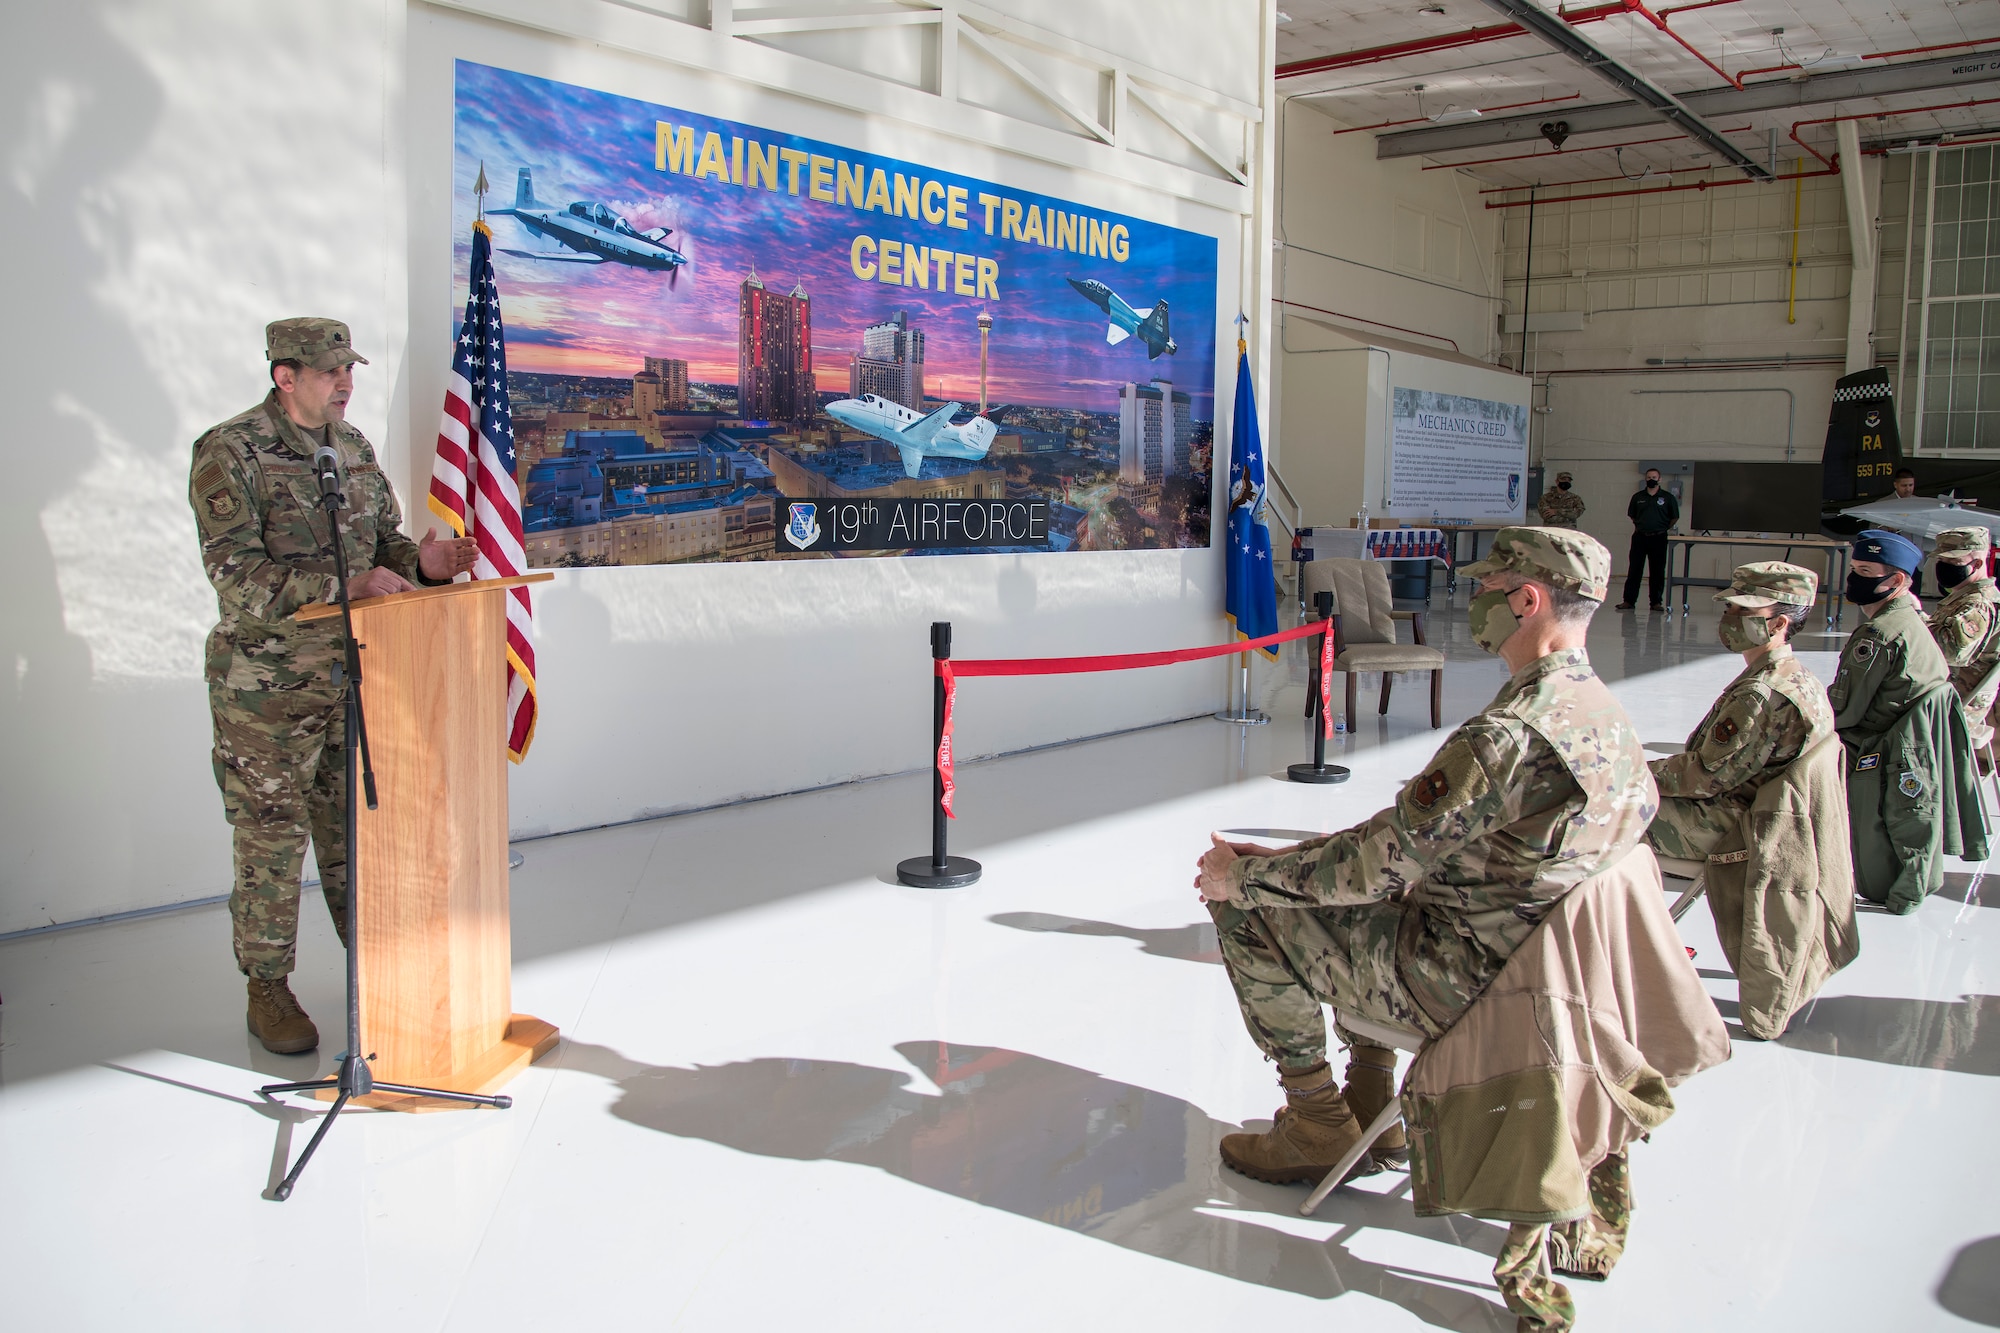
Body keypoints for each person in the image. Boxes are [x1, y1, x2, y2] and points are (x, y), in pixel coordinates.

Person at [1194, 526, 1654, 1331]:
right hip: (1552, 978)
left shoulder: (1509, 735)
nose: (1473, 602)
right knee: (1325, 893)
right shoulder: (1606, 718)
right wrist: (1299, 857)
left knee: (1247, 908)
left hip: (1466, 982)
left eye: (1488, 587)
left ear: (1528, 599)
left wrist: (1249, 874)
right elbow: (1419, 850)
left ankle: (1314, 1121)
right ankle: (1374, 1105)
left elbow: (1377, 865)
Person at [190, 318, 478, 1054]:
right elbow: (236, 576)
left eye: (348, 369)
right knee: (273, 839)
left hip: (354, 676)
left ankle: (376, 960)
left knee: (357, 835)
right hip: (267, 691)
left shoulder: (352, 450)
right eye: (327, 371)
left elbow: (388, 549)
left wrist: (429, 564)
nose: (345, 383)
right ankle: (267, 988)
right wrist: (341, 583)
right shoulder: (230, 451)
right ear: (284, 376)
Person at [1832, 528, 1986, 913]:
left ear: (1897, 580)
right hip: (1904, 745)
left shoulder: (1879, 634)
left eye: (1865, 570)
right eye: (1854, 568)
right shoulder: (1911, 621)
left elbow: (1843, 713)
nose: (1854, 578)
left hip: (1873, 749)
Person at [1648, 562, 1834, 860]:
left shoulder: (1759, 693)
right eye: (1730, 609)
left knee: (1590, 812)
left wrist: (1633, 774)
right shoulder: (1799, 676)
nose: (1730, 619)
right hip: (1761, 813)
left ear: (1778, 624)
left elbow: (1705, 777)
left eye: (1743, 612)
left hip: (1732, 825)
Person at [1928, 526, 2000, 760]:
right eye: (1940, 559)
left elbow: (1952, 652)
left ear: (1977, 564)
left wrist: (1914, 619)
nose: (1943, 566)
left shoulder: (1978, 604)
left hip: (1955, 704)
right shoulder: (1966, 597)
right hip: (1949, 694)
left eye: (1953, 562)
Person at [1615, 467, 1678, 611]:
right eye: (1649, 477)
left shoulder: (1667, 497)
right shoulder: (1638, 497)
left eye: (1654, 477)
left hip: (1659, 537)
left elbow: (1674, 517)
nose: (1651, 480)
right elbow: (1632, 515)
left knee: (1657, 570)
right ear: (1645, 479)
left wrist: (1662, 528)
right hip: (1640, 537)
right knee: (1635, 569)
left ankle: (1656, 602)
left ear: (1659, 479)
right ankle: (1629, 601)